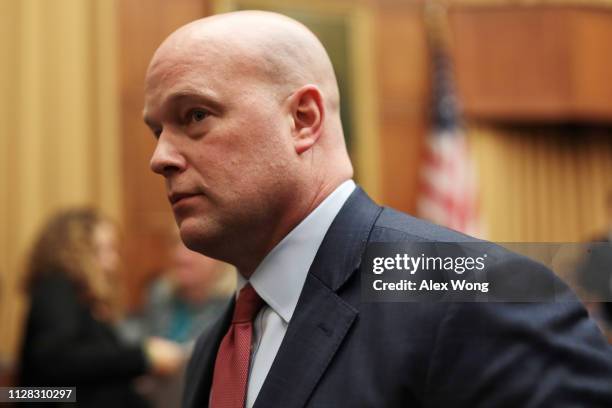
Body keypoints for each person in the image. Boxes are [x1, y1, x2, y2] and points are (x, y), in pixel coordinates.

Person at [143, 11, 612, 408]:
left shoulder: (473, 295)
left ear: (303, 120)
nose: (160, 157)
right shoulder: (216, 345)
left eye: (195, 116)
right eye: (157, 131)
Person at [18, 208, 184, 408]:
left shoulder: (78, 298)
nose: (112, 262)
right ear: (74, 251)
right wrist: (143, 357)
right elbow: (57, 363)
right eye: (102, 250)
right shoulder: (56, 287)